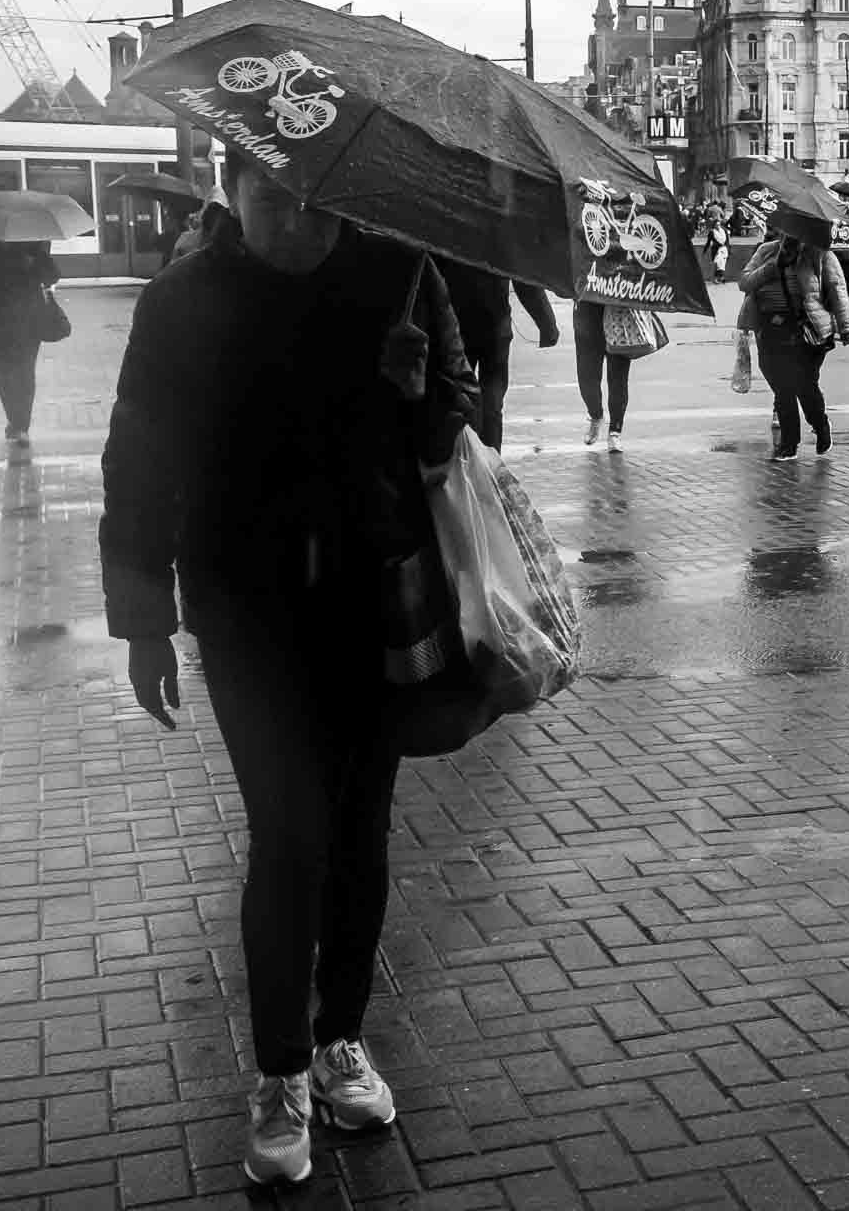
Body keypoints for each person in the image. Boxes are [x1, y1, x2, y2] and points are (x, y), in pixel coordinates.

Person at [101, 150, 478, 1186]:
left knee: (359, 827)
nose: (297, 219)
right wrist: (142, 615)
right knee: (289, 832)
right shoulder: (183, 302)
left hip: (369, 595)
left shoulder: (390, 274)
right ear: (230, 184)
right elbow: (139, 458)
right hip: (246, 607)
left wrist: (416, 393)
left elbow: (459, 414)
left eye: (316, 199)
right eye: (272, 195)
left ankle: (340, 1036)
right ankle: (277, 1073)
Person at [739, 232, 849, 460]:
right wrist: (774, 265)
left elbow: (837, 289)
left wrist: (846, 326)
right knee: (782, 388)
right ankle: (789, 445)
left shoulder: (819, 253)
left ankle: (820, 424)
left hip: (808, 330)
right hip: (771, 328)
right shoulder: (767, 251)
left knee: (805, 385)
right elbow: (745, 282)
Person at [437, 262, 559, 450]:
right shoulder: (500, 233)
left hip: (459, 331)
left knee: (458, 402)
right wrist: (546, 323)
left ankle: (464, 462)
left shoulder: (451, 232)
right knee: (491, 408)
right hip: (492, 330)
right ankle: (490, 464)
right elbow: (524, 279)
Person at [0, 235, 60, 446]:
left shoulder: (30, 246)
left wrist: (36, 262)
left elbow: (52, 275)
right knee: (9, 372)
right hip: (0, 322)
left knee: (20, 371)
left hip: (22, 321)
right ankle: (17, 422)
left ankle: (19, 424)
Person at [574, 299, 635, 452]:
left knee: (618, 379)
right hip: (587, 314)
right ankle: (595, 415)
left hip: (620, 315)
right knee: (587, 377)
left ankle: (615, 431)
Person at [703, 214, 730, 284]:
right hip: (716, 250)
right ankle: (718, 277)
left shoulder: (724, 231)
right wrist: (704, 251)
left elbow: (727, 241)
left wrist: (728, 249)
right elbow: (708, 242)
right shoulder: (712, 232)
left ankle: (720, 277)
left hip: (724, 249)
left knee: (722, 264)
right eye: (716, 225)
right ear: (714, 225)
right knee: (718, 263)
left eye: (719, 225)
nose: (718, 226)